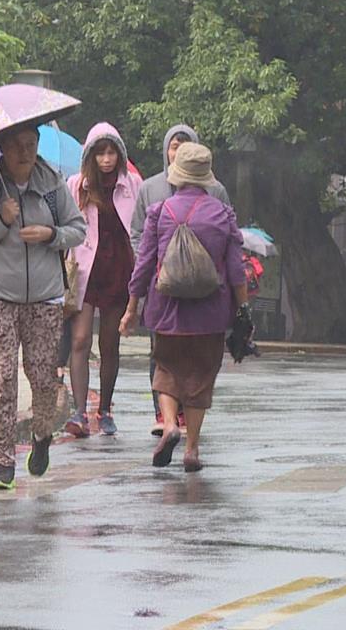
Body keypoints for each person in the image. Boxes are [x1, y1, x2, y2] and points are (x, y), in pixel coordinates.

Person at [0, 125, 86, 491]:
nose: (24, 153)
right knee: (0, 381)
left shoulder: (51, 184)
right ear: (2, 148)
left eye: (30, 145)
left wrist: (51, 236)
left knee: (44, 375)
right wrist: (1, 222)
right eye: (16, 146)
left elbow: (77, 228)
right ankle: (2, 461)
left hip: (45, 297)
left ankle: (42, 433)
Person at [121, 143, 247, 472]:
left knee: (166, 368)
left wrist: (132, 308)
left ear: (176, 176)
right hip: (211, 312)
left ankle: (170, 424)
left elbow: (144, 266)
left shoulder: (160, 212)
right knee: (201, 376)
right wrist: (243, 310)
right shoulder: (223, 214)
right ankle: (192, 448)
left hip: (166, 309)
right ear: (206, 178)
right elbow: (236, 270)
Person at [131, 124, 231, 437]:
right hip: (179, 291)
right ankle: (172, 425)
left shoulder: (215, 195)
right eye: (174, 145)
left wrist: (133, 303)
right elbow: (138, 238)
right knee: (173, 356)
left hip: (180, 297)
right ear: (166, 149)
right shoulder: (150, 189)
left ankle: (175, 420)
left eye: (184, 146)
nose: (177, 151)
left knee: (172, 358)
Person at [65, 123, 142, 437]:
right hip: (85, 269)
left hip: (118, 270)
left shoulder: (133, 184)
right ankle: (79, 412)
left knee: (109, 343)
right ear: (91, 156)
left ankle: (105, 409)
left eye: (111, 153)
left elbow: (140, 226)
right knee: (80, 339)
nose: (107, 159)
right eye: (100, 153)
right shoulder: (76, 185)